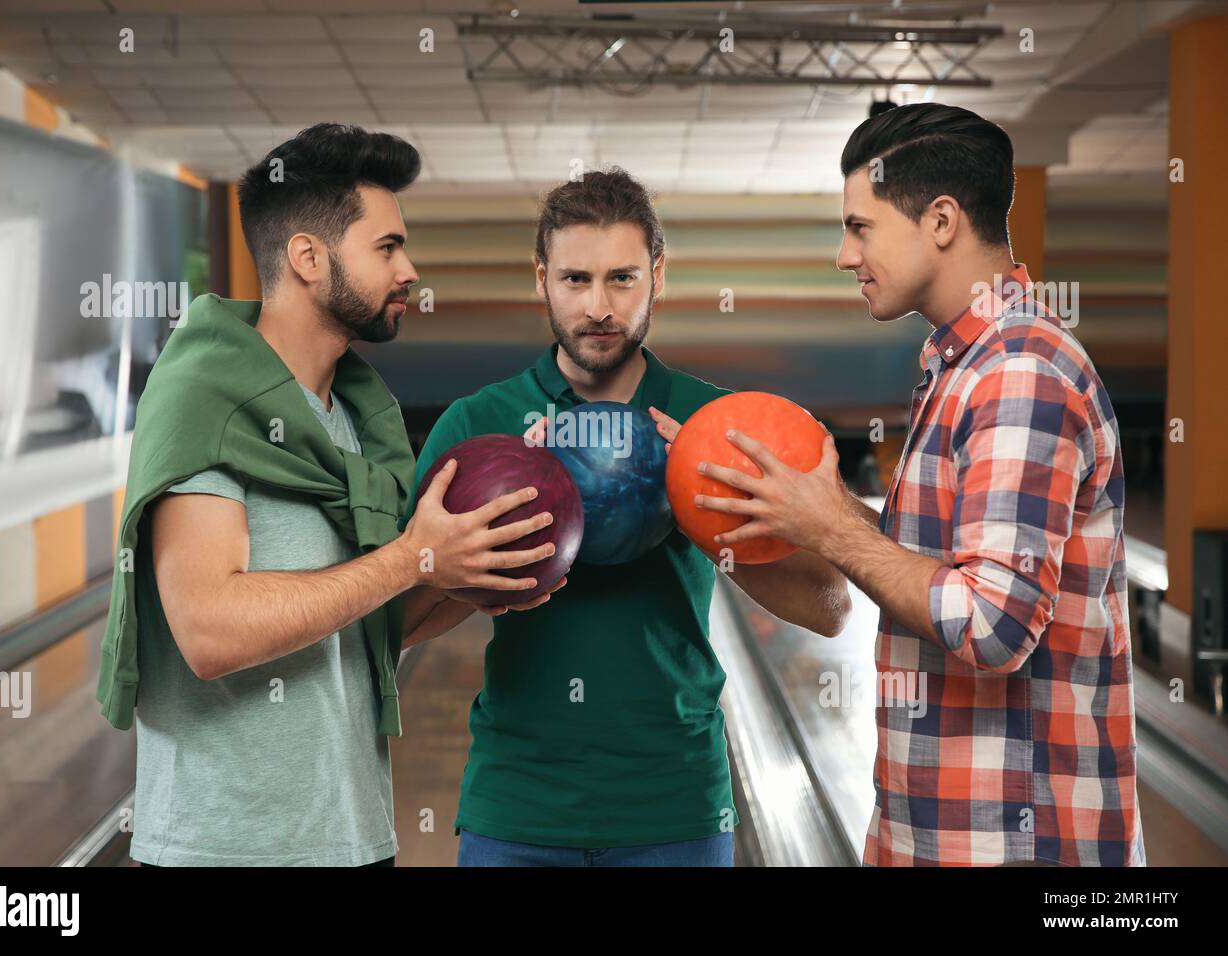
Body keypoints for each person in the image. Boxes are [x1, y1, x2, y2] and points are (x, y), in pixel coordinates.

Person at [689, 103, 1144, 866]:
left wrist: (832, 529)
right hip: (940, 829)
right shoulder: (960, 366)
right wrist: (809, 510)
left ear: (940, 221)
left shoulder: (1018, 372)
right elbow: (943, 572)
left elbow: (992, 625)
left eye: (859, 227)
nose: (843, 254)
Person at [97, 124, 559, 866]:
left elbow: (354, 627)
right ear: (309, 258)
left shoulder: (350, 418)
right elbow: (209, 632)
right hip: (227, 850)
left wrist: (466, 580)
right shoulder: (207, 401)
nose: (409, 269)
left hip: (351, 832)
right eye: (386, 248)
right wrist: (413, 559)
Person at [405, 167, 852, 867]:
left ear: (659, 276)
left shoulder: (717, 425)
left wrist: (708, 510)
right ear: (541, 279)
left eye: (622, 278)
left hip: (675, 804)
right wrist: (473, 556)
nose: (598, 308)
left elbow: (830, 607)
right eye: (575, 280)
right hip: (518, 802)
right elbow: (394, 627)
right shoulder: (478, 425)